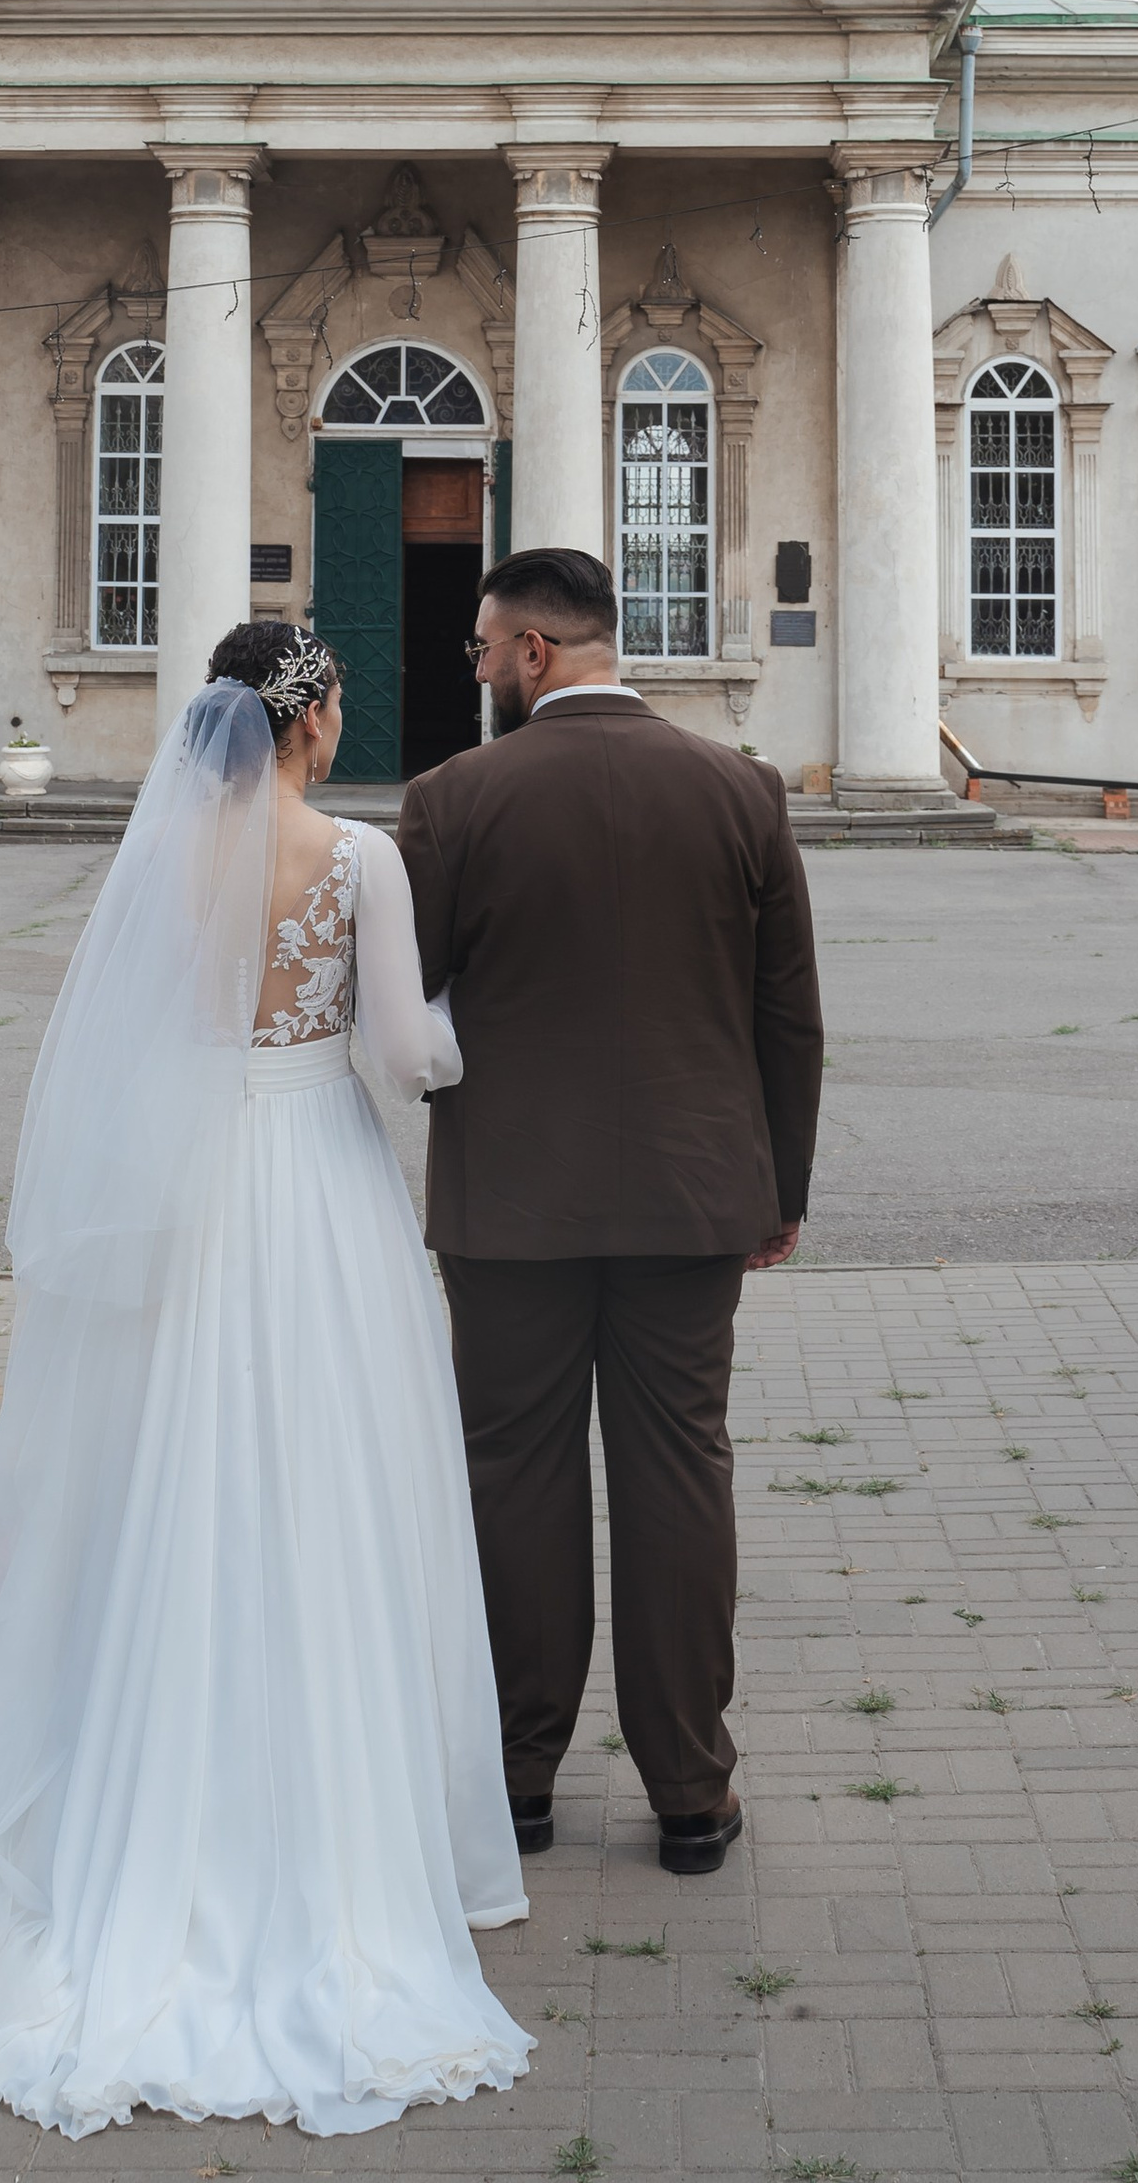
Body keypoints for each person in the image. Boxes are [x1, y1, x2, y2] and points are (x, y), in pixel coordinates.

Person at [0, 621, 531, 2140]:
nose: (342, 722)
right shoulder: (356, 858)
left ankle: (146, 1784)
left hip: (190, 1189)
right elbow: (405, 1055)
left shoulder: (163, 856)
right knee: (334, 1477)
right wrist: (475, 1025)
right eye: (336, 702)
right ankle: (339, 1811)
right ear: (309, 719)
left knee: (174, 1471)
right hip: (315, 1182)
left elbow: (139, 1034)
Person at [397, 545, 823, 1878]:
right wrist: (779, 1189)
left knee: (512, 1477)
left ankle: (517, 1780)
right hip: (694, 1197)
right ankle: (691, 1791)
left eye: (483, 648)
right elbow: (787, 1012)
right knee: (681, 1473)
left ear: (533, 653)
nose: (478, 667)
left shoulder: (454, 797)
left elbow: (409, 998)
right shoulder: (740, 789)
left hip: (510, 1205)